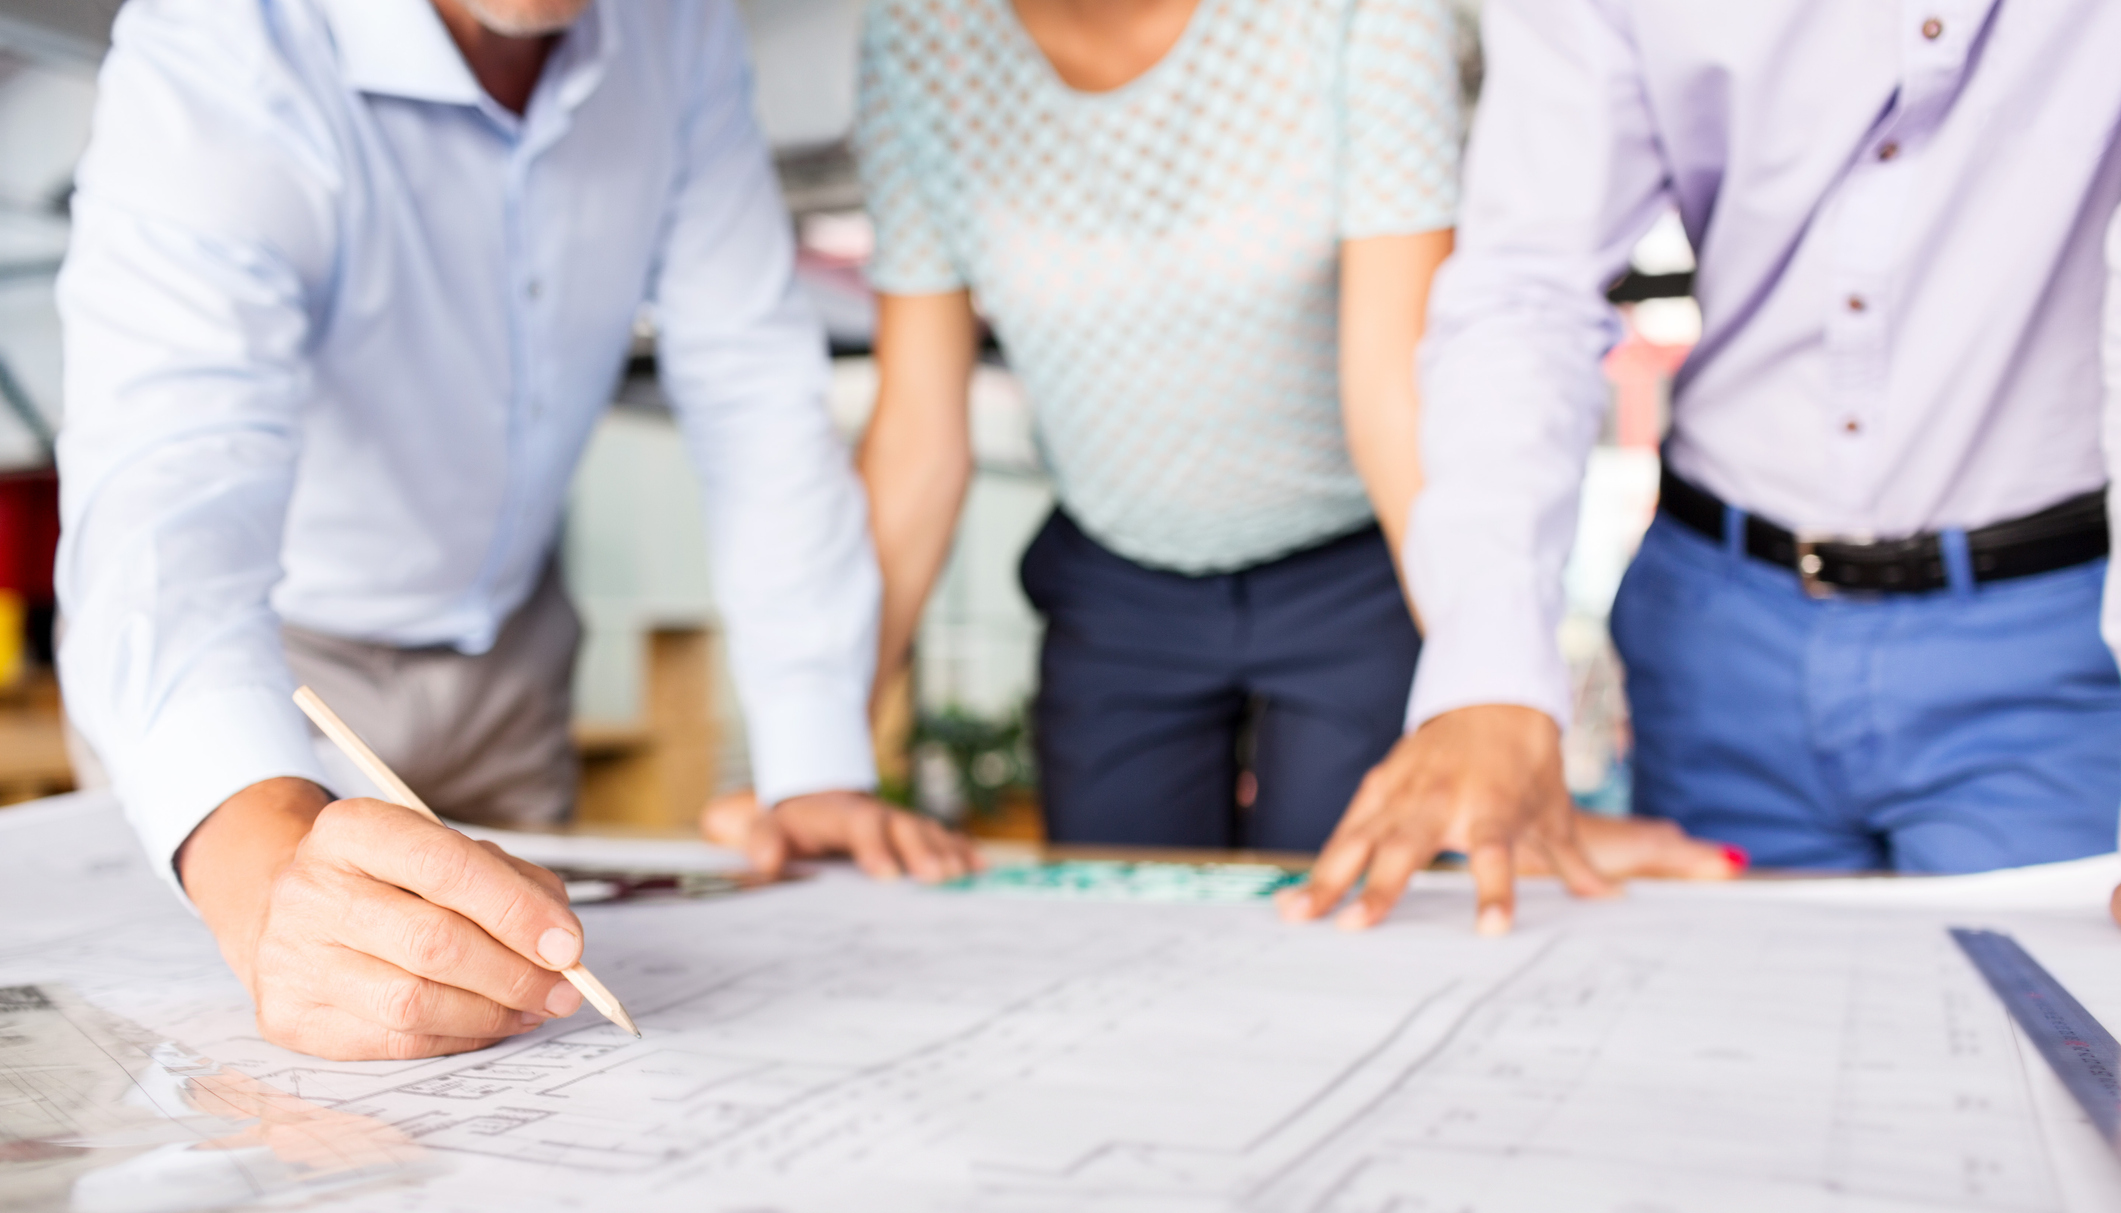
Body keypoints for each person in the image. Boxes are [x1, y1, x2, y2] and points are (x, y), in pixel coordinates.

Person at [55, 0, 976, 1064]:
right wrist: (255, 858)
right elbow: (173, 484)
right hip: (270, 681)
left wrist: (814, 760)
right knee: (262, 1094)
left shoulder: (680, 30)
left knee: (525, 1074)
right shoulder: (224, 37)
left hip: (518, 663)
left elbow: (755, 391)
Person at [1282, 0, 2121, 934]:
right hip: (1719, 632)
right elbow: (1528, 289)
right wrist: (1487, 668)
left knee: (2050, 1060)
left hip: (2054, 640)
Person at [849, 0, 1735, 877]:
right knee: (1116, 923)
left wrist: (1490, 702)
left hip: (1356, 575)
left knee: (1351, 907)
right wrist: (822, 758)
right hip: (1116, 588)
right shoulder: (921, 35)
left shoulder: (1353, 14)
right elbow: (915, 440)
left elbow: (1393, 394)